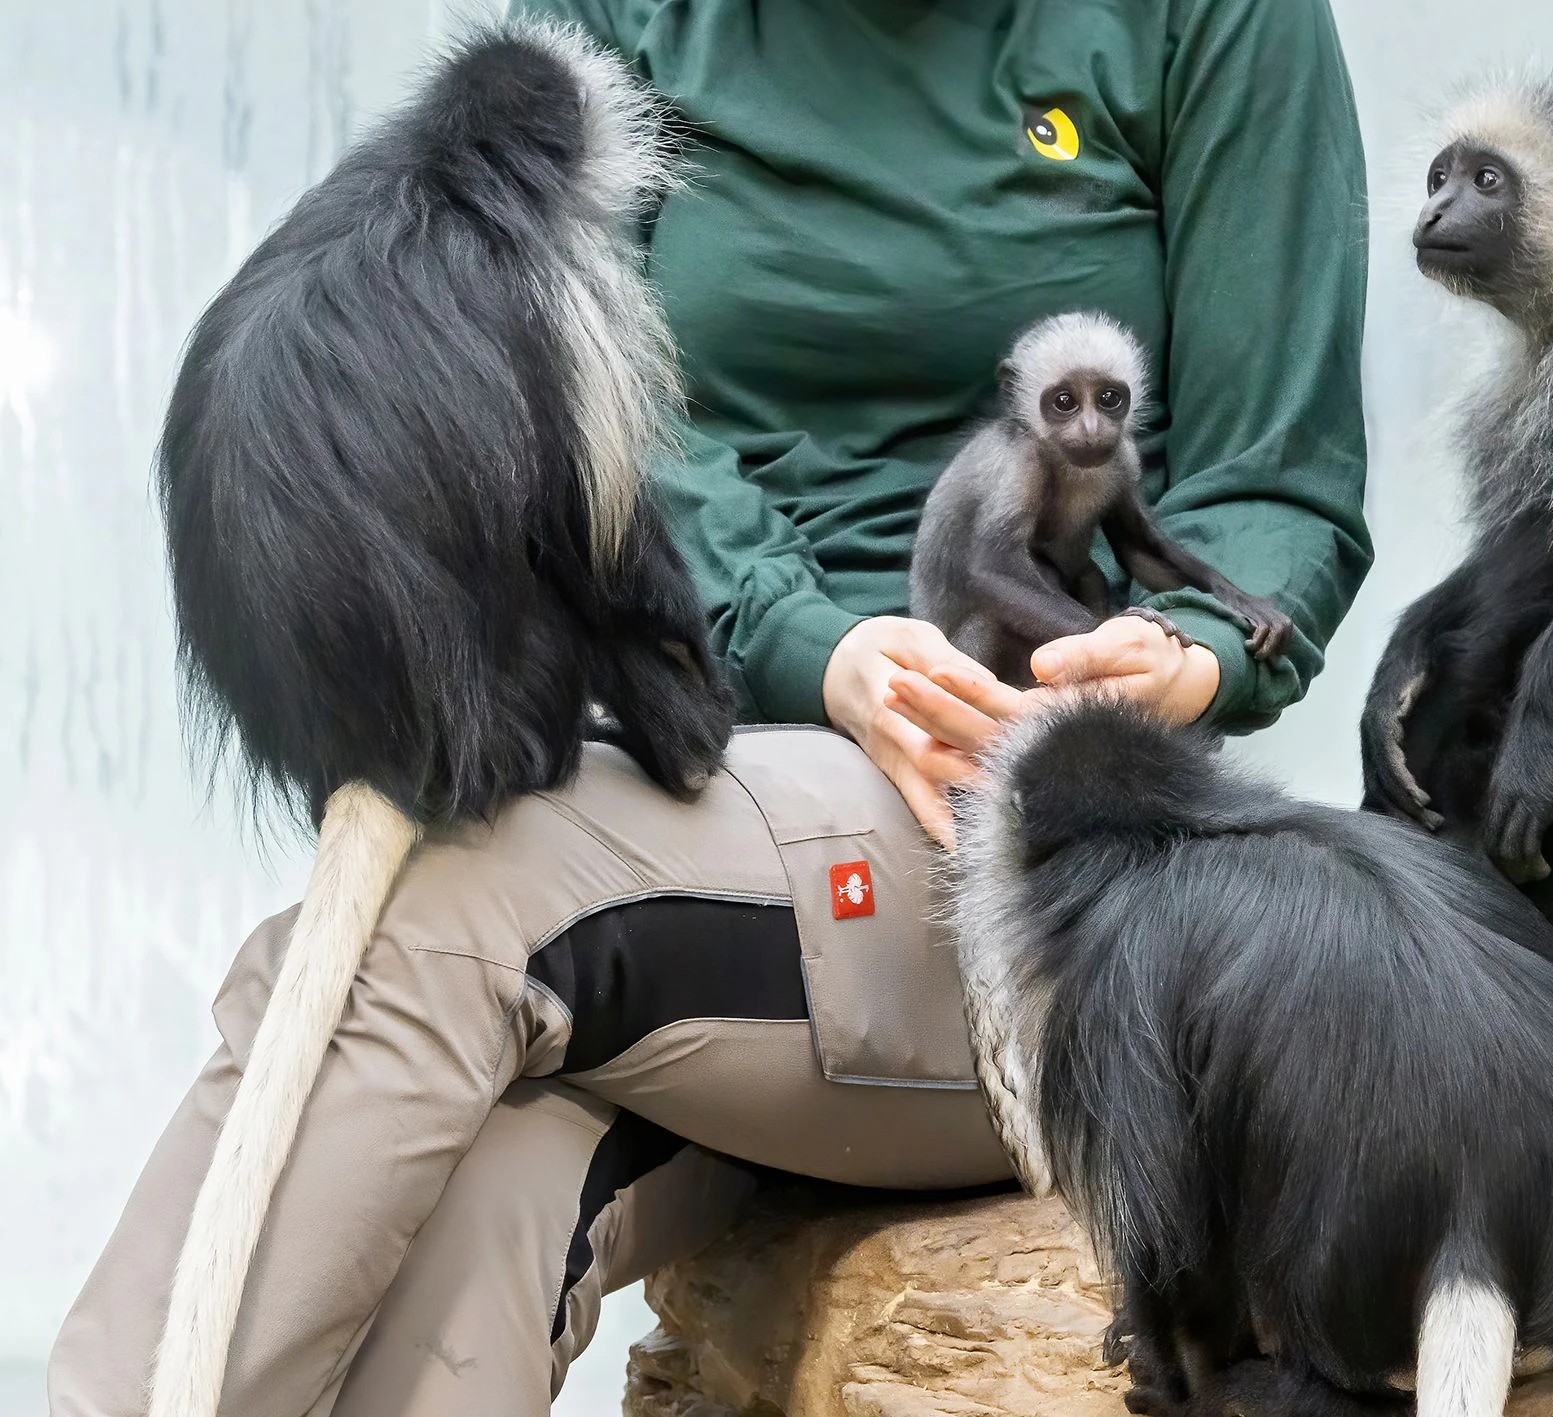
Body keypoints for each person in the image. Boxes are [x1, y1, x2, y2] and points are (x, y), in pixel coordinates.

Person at [48, 0, 1370, 1411]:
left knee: (440, 911)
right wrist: (812, 640)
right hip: (685, 809)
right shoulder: (621, 22)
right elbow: (569, 423)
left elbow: (1274, 487)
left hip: (1015, 861)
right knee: (490, 1197)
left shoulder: (1209, 23)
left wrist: (1179, 650)